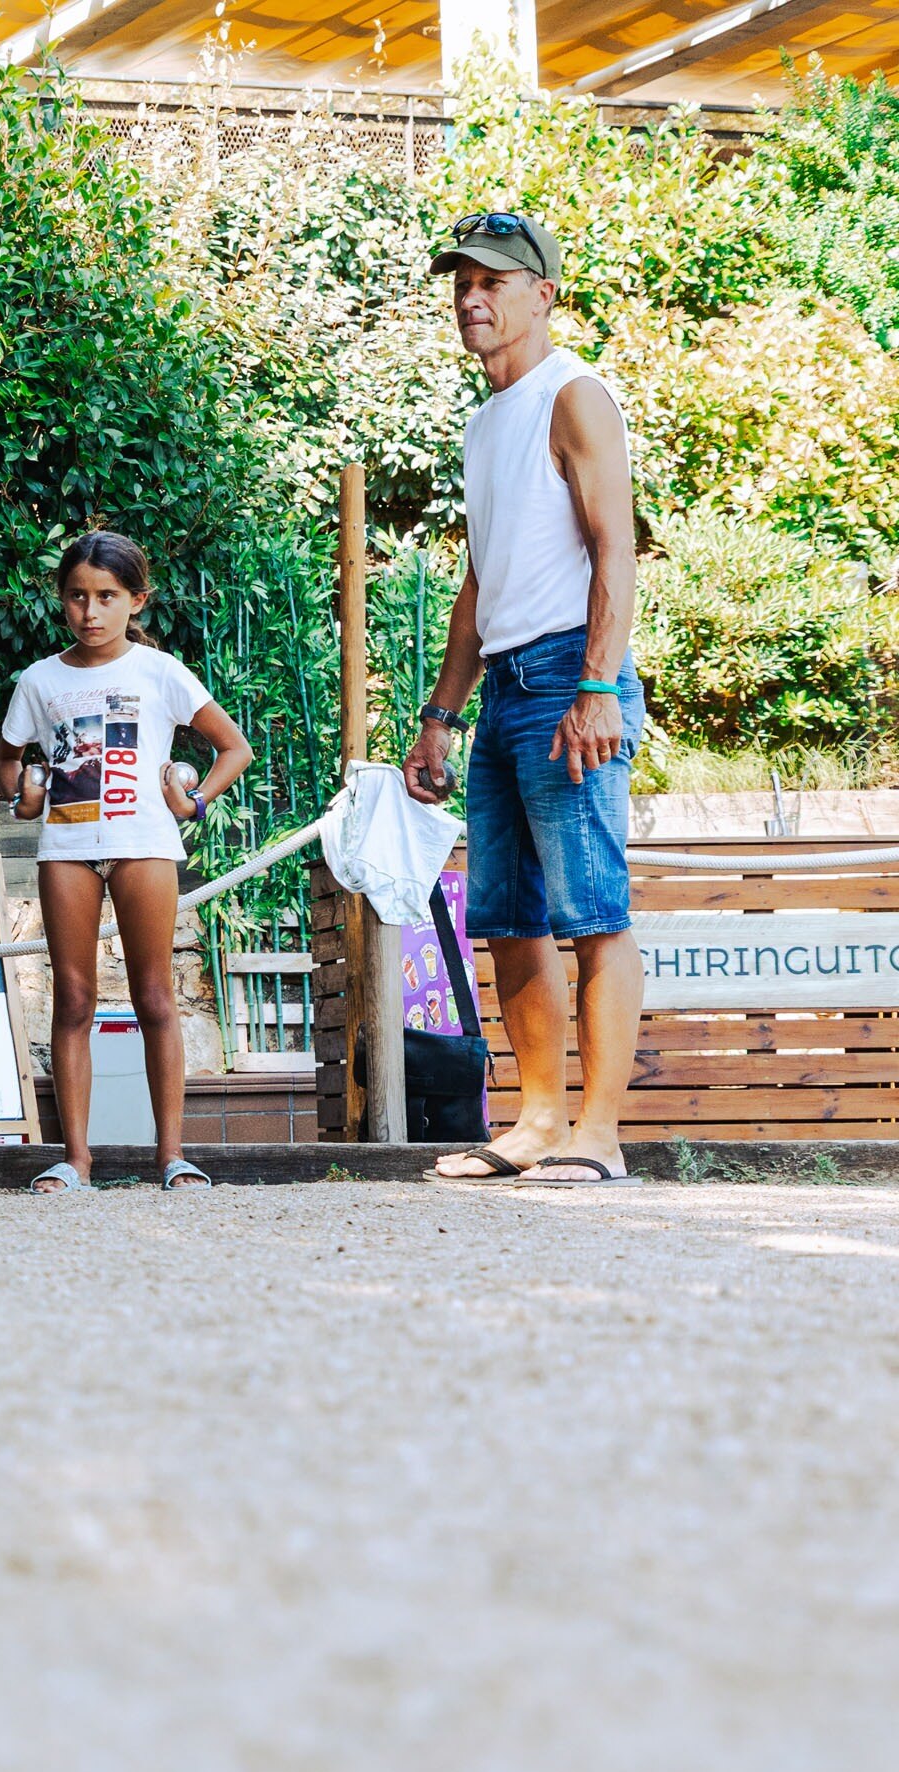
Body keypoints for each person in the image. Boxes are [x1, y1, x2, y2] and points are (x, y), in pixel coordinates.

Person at [404, 212, 647, 1187]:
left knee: (593, 909)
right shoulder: (484, 420)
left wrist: (596, 683)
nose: (472, 296)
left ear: (542, 294)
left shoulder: (572, 395)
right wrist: (439, 715)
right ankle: (538, 1121)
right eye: (461, 280)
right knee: (507, 915)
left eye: (494, 281)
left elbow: (615, 545)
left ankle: (599, 1131)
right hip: (505, 684)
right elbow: (479, 579)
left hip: (566, 678)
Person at [0, 533, 253, 1193]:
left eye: (107, 596)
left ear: (136, 599)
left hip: (146, 847)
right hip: (67, 851)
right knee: (72, 999)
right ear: (62, 599)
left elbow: (234, 748)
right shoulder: (39, 679)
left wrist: (190, 802)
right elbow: (6, 760)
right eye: (77, 596)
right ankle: (75, 1160)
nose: (90, 611)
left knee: (155, 997)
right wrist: (22, 793)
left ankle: (172, 1157)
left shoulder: (159, 672)